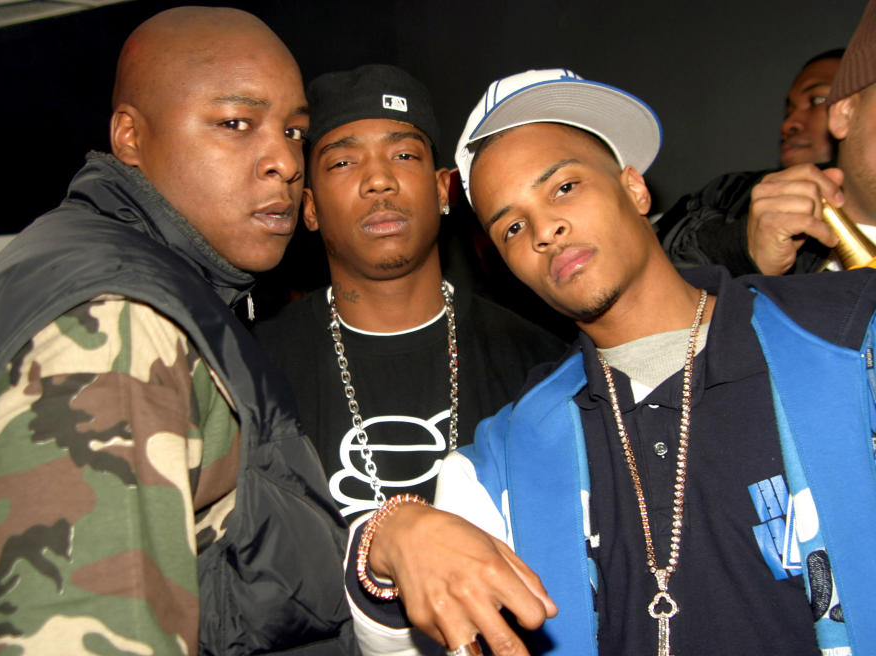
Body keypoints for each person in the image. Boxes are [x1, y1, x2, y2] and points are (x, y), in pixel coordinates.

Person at [345, 68, 876, 656]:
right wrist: (388, 536)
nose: (545, 228)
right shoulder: (512, 448)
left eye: (564, 187)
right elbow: (399, 639)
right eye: (513, 226)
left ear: (634, 188)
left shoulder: (847, 338)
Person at [0, 7, 356, 655]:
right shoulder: (114, 316)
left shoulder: (152, 283)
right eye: (236, 124)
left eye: (294, 131)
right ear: (130, 138)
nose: (285, 162)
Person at [254, 64, 566, 520]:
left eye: (403, 156)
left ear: (443, 190)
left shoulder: (542, 364)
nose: (379, 180)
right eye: (343, 162)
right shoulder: (254, 370)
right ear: (311, 208)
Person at [661, 1, 876, 276]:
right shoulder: (728, 201)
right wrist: (742, 252)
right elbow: (635, 282)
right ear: (844, 113)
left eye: (815, 100)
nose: (790, 125)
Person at [660, 48, 844, 273]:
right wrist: (741, 247)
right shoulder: (728, 193)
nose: (789, 125)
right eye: (789, 111)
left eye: (817, 100)